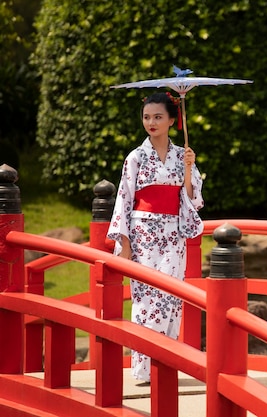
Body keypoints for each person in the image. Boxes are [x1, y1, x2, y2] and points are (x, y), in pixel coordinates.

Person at [107, 92, 204, 383]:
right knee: (147, 297)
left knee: (171, 296)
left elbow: (191, 200)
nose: (151, 122)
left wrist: (189, 169)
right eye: (147, 117)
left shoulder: (182, 155)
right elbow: (124, 198)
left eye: (158, 117)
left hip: (173, 233)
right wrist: (123, 241)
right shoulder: (135, 157)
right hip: (143, 233)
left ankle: (166, 363)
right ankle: (143, 368)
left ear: (173, 120)